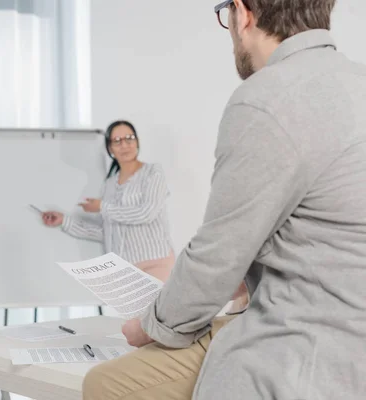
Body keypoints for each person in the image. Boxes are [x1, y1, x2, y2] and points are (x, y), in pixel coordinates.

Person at [83, 0, 366, 399]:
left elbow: (218, 254)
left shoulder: (265, 96)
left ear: (242, 12)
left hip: (307, 344)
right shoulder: (357, 83)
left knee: (104, 382)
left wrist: (151, 324)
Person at [41, 120, 176, 282]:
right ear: (110, 148)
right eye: (117, 141)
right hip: (125, 268)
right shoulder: (109, 185)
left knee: (158, 308)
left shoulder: (153, 172)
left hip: (156, 262)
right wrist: (64, 221)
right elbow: (108, 232)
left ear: (137, 142)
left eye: (129, 138)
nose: (124, 145)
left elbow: (146, 213)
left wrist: (102, 207)